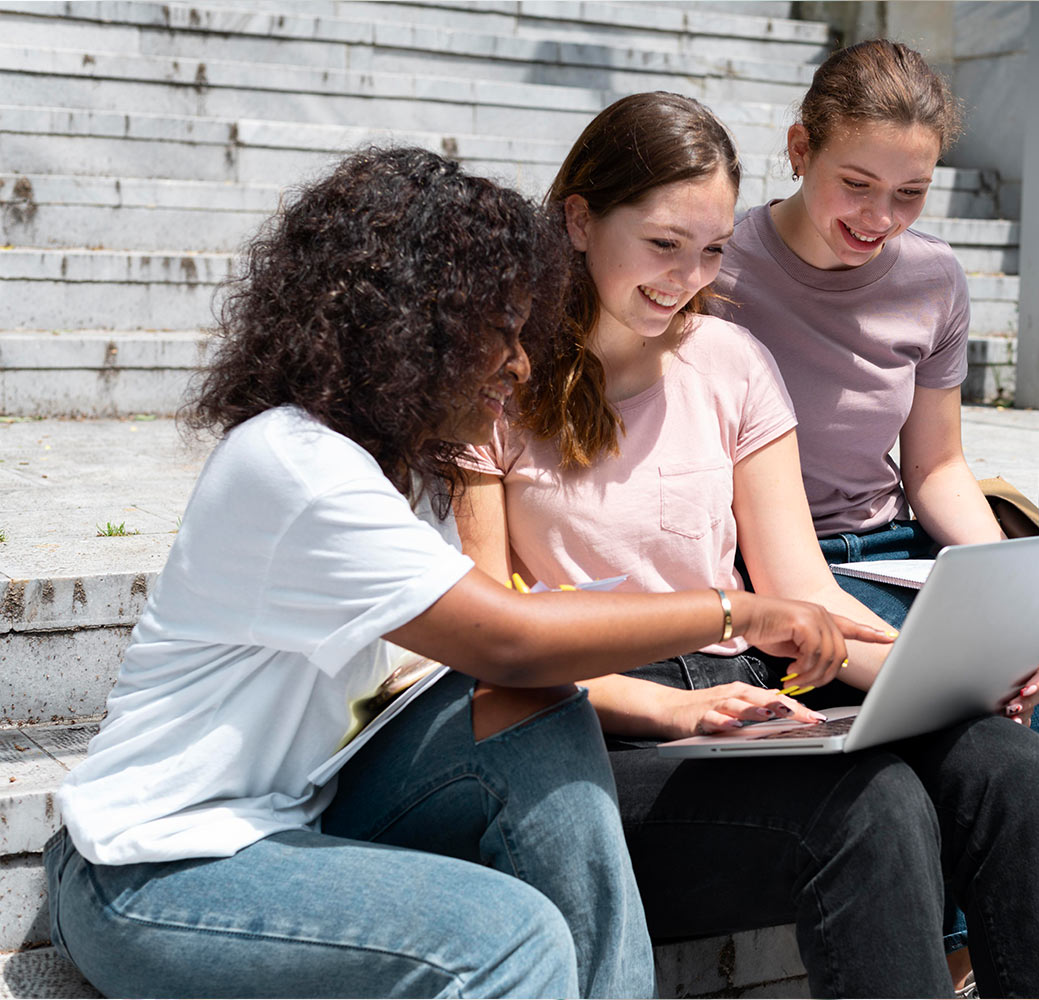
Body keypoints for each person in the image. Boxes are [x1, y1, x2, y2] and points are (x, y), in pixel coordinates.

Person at [43, 146, 885, 999]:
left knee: (536, 716)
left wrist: (677, 703)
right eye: (502, 334)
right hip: (153, 873)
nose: (521, 366)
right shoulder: (294, 467)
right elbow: (509, 639)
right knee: (507, 936)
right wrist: (733, 610)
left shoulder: (405, 467)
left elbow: (511, 669)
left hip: (306, 808)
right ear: (413, 329)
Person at [459, 91, 1039, 999]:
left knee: (1012, 767)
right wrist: (676, 712)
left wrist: (945, 671)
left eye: (714, 250)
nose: (687, 277)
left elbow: (802, 586)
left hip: (753, 693)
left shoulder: (729, 360)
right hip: (599, 725)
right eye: (662, 244)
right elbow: (491, 646)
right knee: (872, 807)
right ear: (578, 219)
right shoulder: (491, 385)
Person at [713, 38, 1039, 997]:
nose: (879, 219)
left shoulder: (933, 280)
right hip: (771, 563)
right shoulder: (722, 269)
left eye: (910, 193)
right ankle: (971, 951)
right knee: (963, 708)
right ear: (798, 147)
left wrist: (1003, 578)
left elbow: (938, 467)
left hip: (892, 547)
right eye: (857, 183)